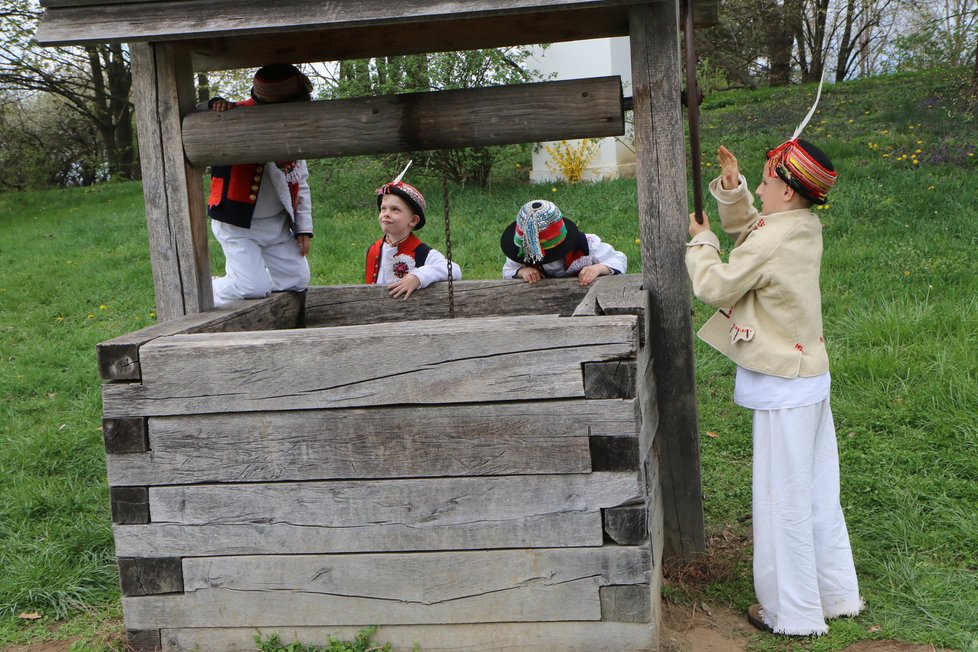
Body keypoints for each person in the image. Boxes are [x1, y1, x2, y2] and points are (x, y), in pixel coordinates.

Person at [686, 140, 863, 636]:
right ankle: (834, 595)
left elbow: (714, 286)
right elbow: (752, 229)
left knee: (781, 498)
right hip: (808, 377)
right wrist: (732, 186)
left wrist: (701, 241)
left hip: (784, 386)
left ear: (785, 192)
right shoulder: (802, 226)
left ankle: (793, 615)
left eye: (764, 182)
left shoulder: (773, 238)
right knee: (816, 492)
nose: (758, 189)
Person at [203, 63, 314, 307]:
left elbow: (301, 181)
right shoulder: (233, 114)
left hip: (277, 224)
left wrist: (304, 228)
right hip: (237, 224)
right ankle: (205, 291)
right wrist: (213, 105)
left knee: (296, 279)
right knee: (252, 287)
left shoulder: (295, 132)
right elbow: (196, 113)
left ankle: (255, 287)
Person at [366, 165, 461, 299]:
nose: (386, 214)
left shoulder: (423, 252)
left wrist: (418, 277)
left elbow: (454, 270)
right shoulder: (375, 249)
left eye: (395, 210)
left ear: (413, 220)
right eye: (383, 209)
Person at [500, 199, 626, 286]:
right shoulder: (522, 253)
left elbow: (619, 259)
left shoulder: (585, 244)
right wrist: (522, 272)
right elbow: (507, 270)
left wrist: (599, 268)